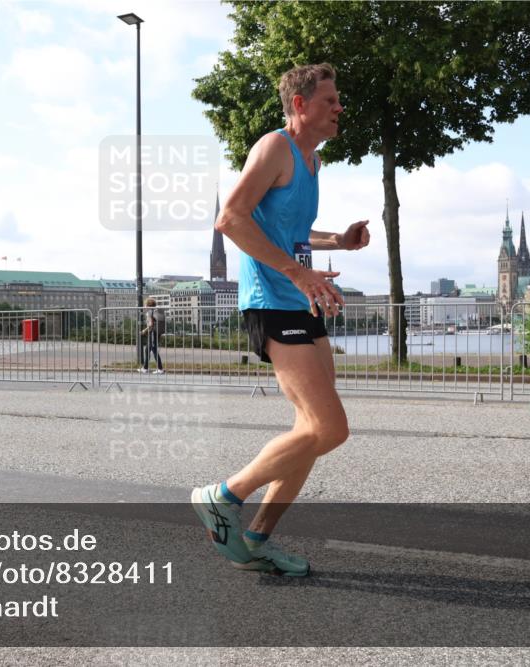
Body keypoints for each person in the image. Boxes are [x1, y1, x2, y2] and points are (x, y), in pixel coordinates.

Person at [191, 63, 370, 577]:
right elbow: (230, 219)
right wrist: (297, 273)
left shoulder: (314, 161)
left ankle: (255, 540)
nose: (339, 108)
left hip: (298, 301)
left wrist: (338, 241)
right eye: (330, 100)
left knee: (309, 431)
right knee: (329, 429)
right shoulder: (275, 148)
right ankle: (222, 495)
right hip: (270, 301)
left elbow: (289, 230)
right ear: (300, 104)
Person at [137, 297, 166, 374]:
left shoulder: (150, 312)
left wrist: (144, 330)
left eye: (145, 304)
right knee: (148, 349)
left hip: (153, 332)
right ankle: (145, 368)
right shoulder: (156, 311)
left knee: (153, 349)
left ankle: (160, 369)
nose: (144, 306)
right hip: (157, 332)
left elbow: (151, 324)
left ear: (148, 305)